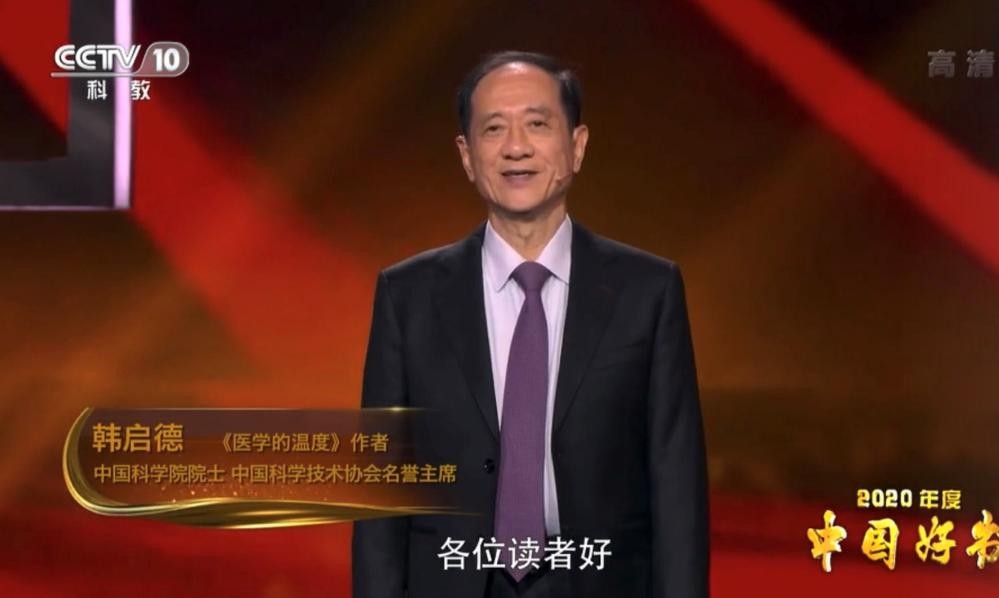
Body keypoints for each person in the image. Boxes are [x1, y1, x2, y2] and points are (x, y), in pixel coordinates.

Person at [352, 50, 708, 598]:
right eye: (494, 128)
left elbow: (677, 484)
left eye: (537, 124)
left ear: (577, 145)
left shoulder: (648, 291)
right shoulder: (408, 296)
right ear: (467, 156)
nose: (515, 147)